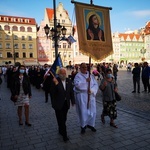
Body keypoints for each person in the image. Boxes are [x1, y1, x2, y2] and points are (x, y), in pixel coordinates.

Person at [73, 63, 98, 134]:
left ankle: (91, 124)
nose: (85, 68)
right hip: (82, 96)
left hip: (91, 96)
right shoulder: (78, 76)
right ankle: (83, 126)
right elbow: (77, 85)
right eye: (83, 67)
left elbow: (95, 84)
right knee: (83, 112)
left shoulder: (91, 75)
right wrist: (85, 81)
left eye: (86, 67)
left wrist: (92, 90)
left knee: (93, 111)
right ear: (80, 68)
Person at [51, 68, 75, 142]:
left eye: (65, 73)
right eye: (62, 73)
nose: (64, 75)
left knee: (64, 119)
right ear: (59, 74)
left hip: (65, 104)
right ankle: (64, 135)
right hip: (58, 104)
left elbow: (71, 92)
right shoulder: (55, 81)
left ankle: (60, 129)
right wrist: (56, 84)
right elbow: (52, 93)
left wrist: (73, 101)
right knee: (61, 119)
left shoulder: (68, 81)